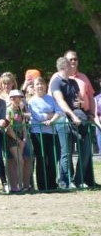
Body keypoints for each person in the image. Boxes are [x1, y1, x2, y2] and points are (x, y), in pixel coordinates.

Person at [50, 56, 96, 189]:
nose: (73, 67)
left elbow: (77, 100)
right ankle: (65, 182)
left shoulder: (73, 82)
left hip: (78, 119)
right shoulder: (56, 82)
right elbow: (60, 101)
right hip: (64, 121)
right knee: (66, 153)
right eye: (71, 65)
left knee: (85, 151)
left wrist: (80, 104)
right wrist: (72, 115)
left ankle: (79, 180)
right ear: (65, 67)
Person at [27, 77, 61, 191]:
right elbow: (38, 116)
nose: (40, 86)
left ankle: (52, 184)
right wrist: (51, 115)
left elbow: (59, 111)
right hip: (38, 133)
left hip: (51, 132)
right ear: (34, 87)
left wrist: (51, 120)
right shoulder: (32, 101)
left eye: (42, 83)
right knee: (41, 159)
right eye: (37, 84)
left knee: (52, 158)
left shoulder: (51, 98)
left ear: (45, 85)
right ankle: (42, 185)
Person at [5, 90, 33, 192]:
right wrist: (18, 140)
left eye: (19, 97)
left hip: (20, 138)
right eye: (14, 97)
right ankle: (16, 186)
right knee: (18, 161)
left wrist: (24, 139)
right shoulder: (9, 111)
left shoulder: (20, 110)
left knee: (19, 161)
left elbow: (24, 126)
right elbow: (8, 128)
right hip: (11, 139)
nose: (17, 99)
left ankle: (18, 185)